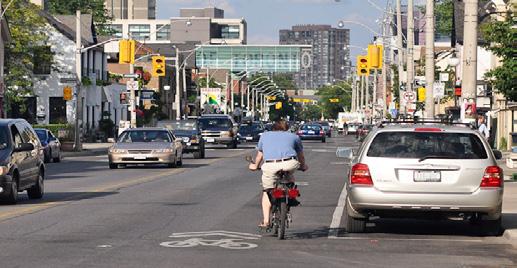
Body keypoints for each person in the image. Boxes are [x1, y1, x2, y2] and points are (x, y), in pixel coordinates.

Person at [248, 119, 308, 228]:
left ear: (273, 128)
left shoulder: (265, 136)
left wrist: (255, 166)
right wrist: (303, 166)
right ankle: (292, 196)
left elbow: (259, 155)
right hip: (289, 163)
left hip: (270, 165)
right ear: (286, 128)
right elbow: (301, 156)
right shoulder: (294, 136)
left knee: (267, 192)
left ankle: (266, 221)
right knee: (290, 178)